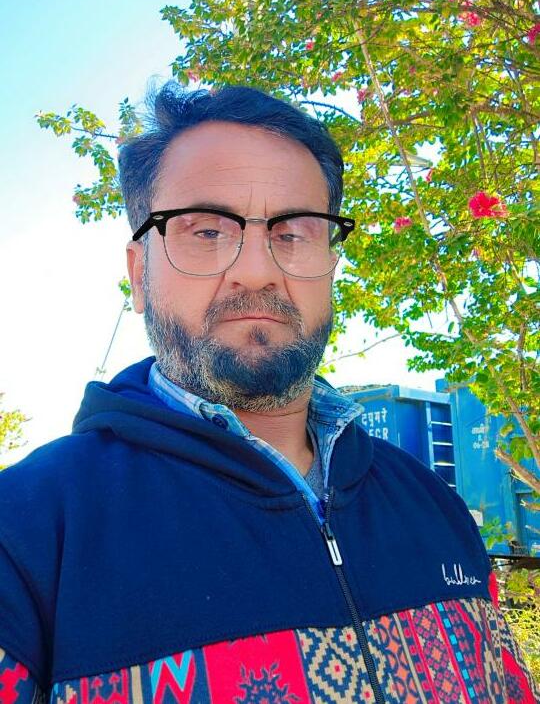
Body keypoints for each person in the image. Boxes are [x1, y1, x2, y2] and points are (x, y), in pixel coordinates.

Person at [0, 83, 537, 704]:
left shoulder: (433, 505)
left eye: (293, 232)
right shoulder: (25, 537)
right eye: (205, 231)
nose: (256, 271)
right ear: (140, 274)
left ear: (330, 262)